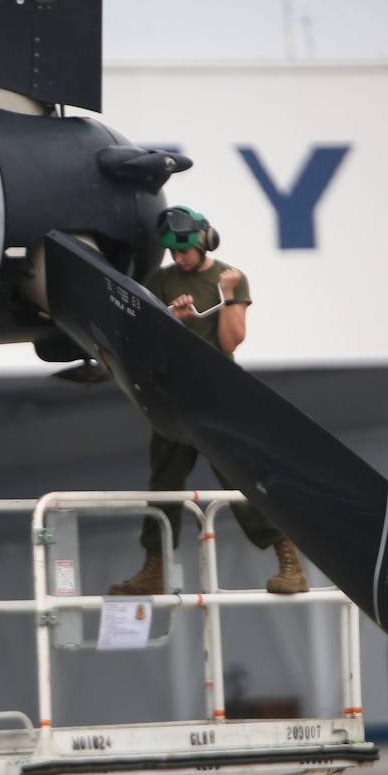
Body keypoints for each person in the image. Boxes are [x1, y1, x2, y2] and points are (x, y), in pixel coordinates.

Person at [109, 205, 309, 596]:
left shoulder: (229, 278)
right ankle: (156, 567)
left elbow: (231, 341)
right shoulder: (160, 280)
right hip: (172, 392)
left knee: (238, 477)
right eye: (172, 252)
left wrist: (229, 296)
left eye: (184, 249)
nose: (178, 258)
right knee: (163, 483)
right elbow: (145, 337)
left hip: (216, 390)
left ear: (204, 242)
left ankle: (290, 562)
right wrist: (174, 318)